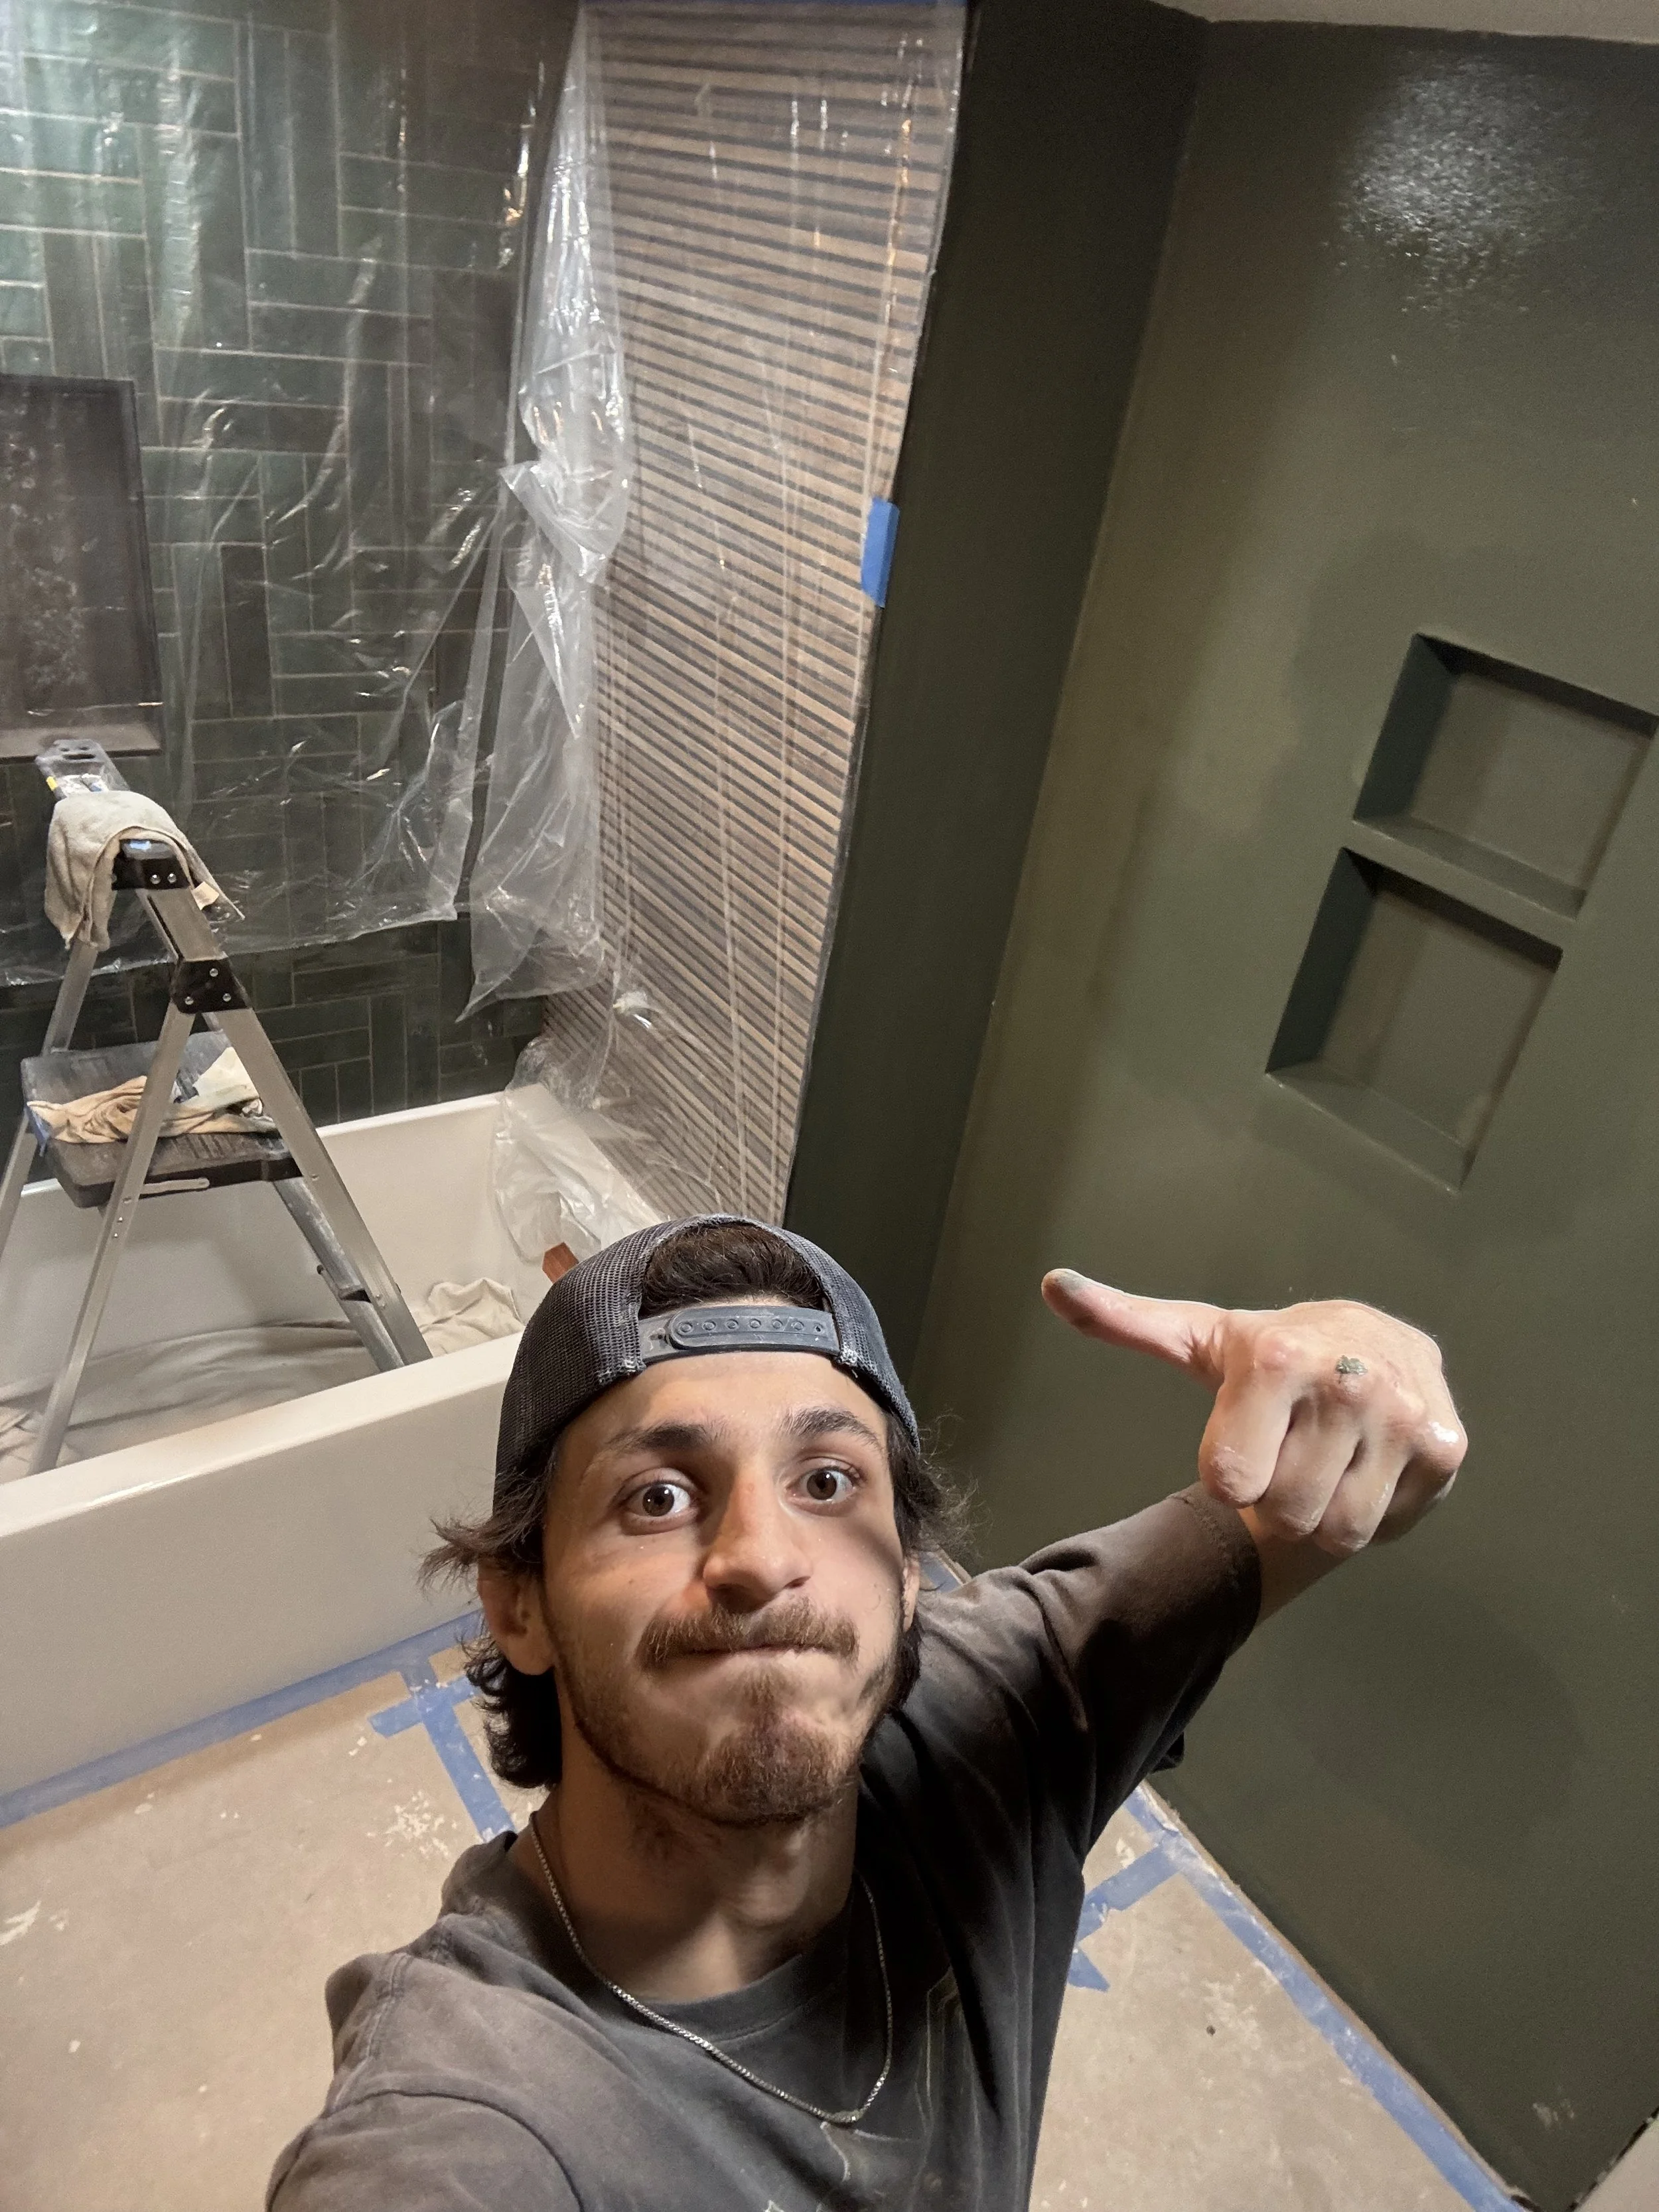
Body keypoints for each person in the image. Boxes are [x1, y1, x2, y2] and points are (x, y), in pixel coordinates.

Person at [268, 1215, 1466, 2211]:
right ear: (518, 1605)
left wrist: (1364, 1355)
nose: (759, 1558)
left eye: (828, 1481)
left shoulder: (1000, 1711)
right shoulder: (467, 2123)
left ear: (907, 1582)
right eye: (659, 1494)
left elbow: (1349, 1473)